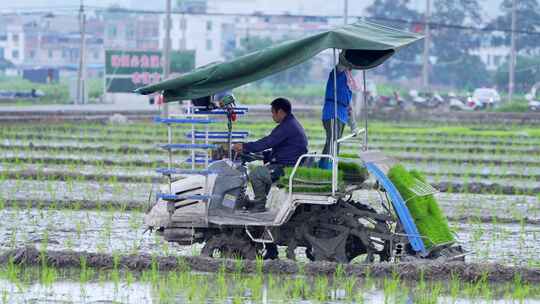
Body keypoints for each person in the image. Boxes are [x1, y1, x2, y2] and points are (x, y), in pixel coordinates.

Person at [232, 98, 308, 212]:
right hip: (289, 163)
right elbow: (281, 148)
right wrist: (260, 155)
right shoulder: (290, 123)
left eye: (273, 112)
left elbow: (268, 142)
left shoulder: (287, 127)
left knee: (256, 174)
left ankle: (259, 205)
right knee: (263, 171)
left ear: (281, 112)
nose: (272, 115)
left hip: (287, 168)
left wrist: (244, 146)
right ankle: (259, 202)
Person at [320, 55, 359, 169]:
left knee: (334, 141)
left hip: (341, 116)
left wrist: (353, 126)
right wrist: (347, 53)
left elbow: (350, 107)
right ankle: (328, 168)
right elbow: (342, 62)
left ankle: (324, 165)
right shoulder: (338, 72)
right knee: (333, 141)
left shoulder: (348, 83)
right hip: (333, 113)